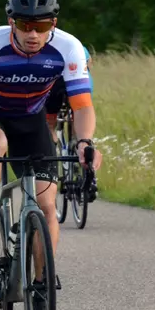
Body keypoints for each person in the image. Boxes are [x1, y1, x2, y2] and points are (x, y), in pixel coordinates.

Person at [0, 0, 103, 310]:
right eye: (25, 25)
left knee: (46, 204)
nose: (33, 34)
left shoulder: (67, 46)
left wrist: (85, 142)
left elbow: (82, 105)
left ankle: (42, 287)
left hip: (33, 120)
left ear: (53, 22)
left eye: (42, 25)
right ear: (11, 22)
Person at [45, 46, 98, 198]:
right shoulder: (75, 45)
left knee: (49, 121)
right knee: (79, 112)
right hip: (78, 83)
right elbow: (89, 65)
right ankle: (79, 143)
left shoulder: (50, 48)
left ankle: (51, 154)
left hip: (54, 85)